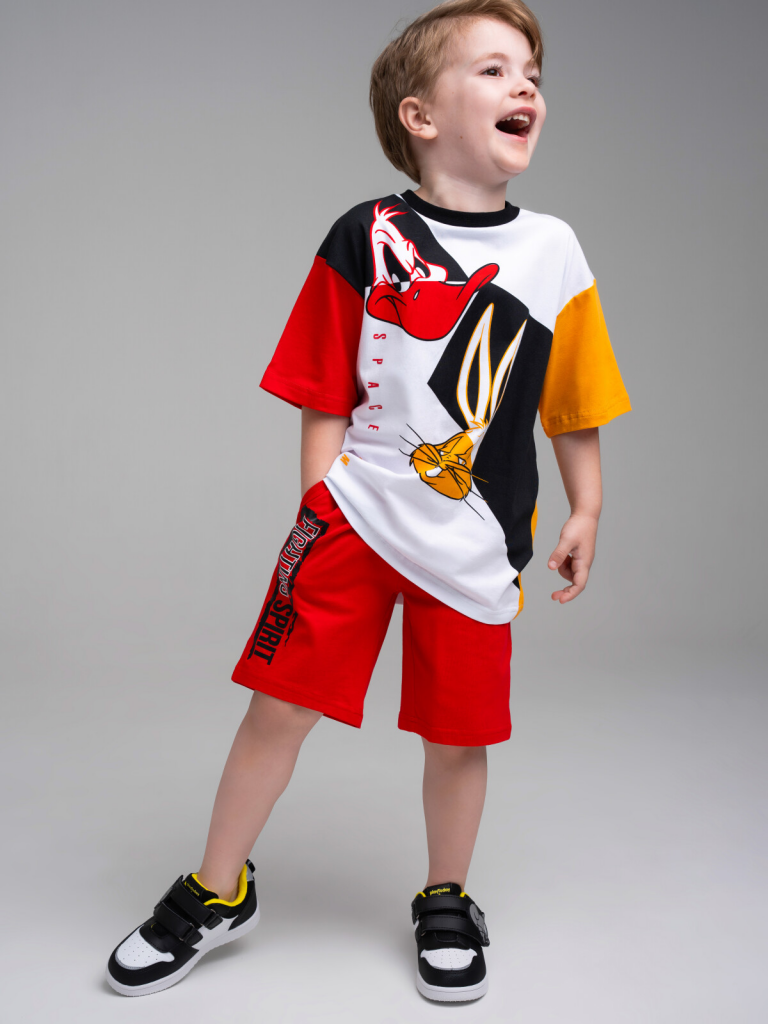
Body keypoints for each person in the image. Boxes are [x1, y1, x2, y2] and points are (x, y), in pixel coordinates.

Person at [106, 0, 630, 1003]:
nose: (524, 84)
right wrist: (320, 504)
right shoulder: (367, 233)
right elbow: (322, 385)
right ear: (419, 115)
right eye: (491, 69)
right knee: (277, 708)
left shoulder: (554, 250)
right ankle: (216, 887)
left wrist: (587, 506)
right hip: (354, 521)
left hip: (475, 540)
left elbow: (574, 399)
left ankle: (447, 895)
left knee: (458, 734)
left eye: (530, 71)